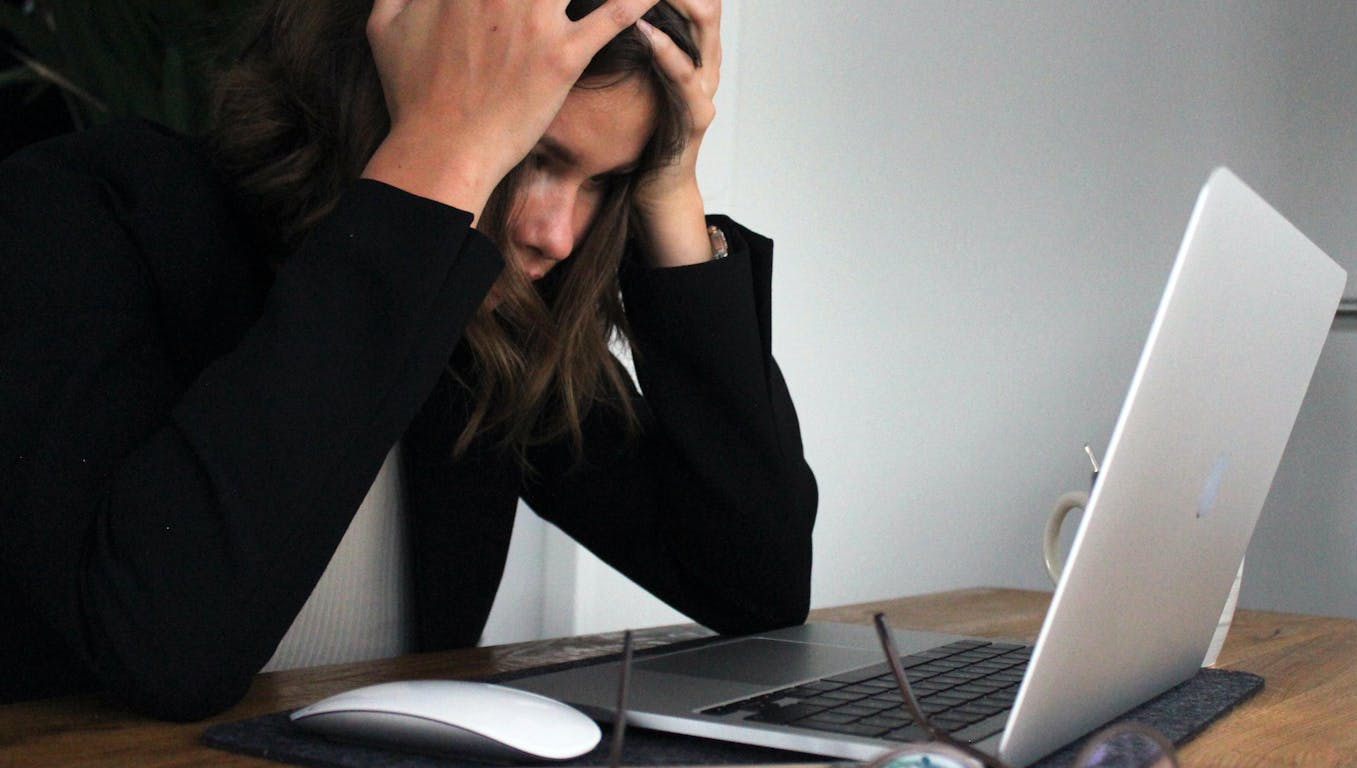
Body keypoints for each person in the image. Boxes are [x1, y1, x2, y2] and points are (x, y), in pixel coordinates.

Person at [0, 0, 816, 721]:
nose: (555, 235)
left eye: (604, 182)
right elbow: (165, 654)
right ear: (388, 79)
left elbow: (756, 586)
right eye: (534, 155)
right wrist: (442, 155)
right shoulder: (84, 212)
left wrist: (670, 188)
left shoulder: (486, 325)